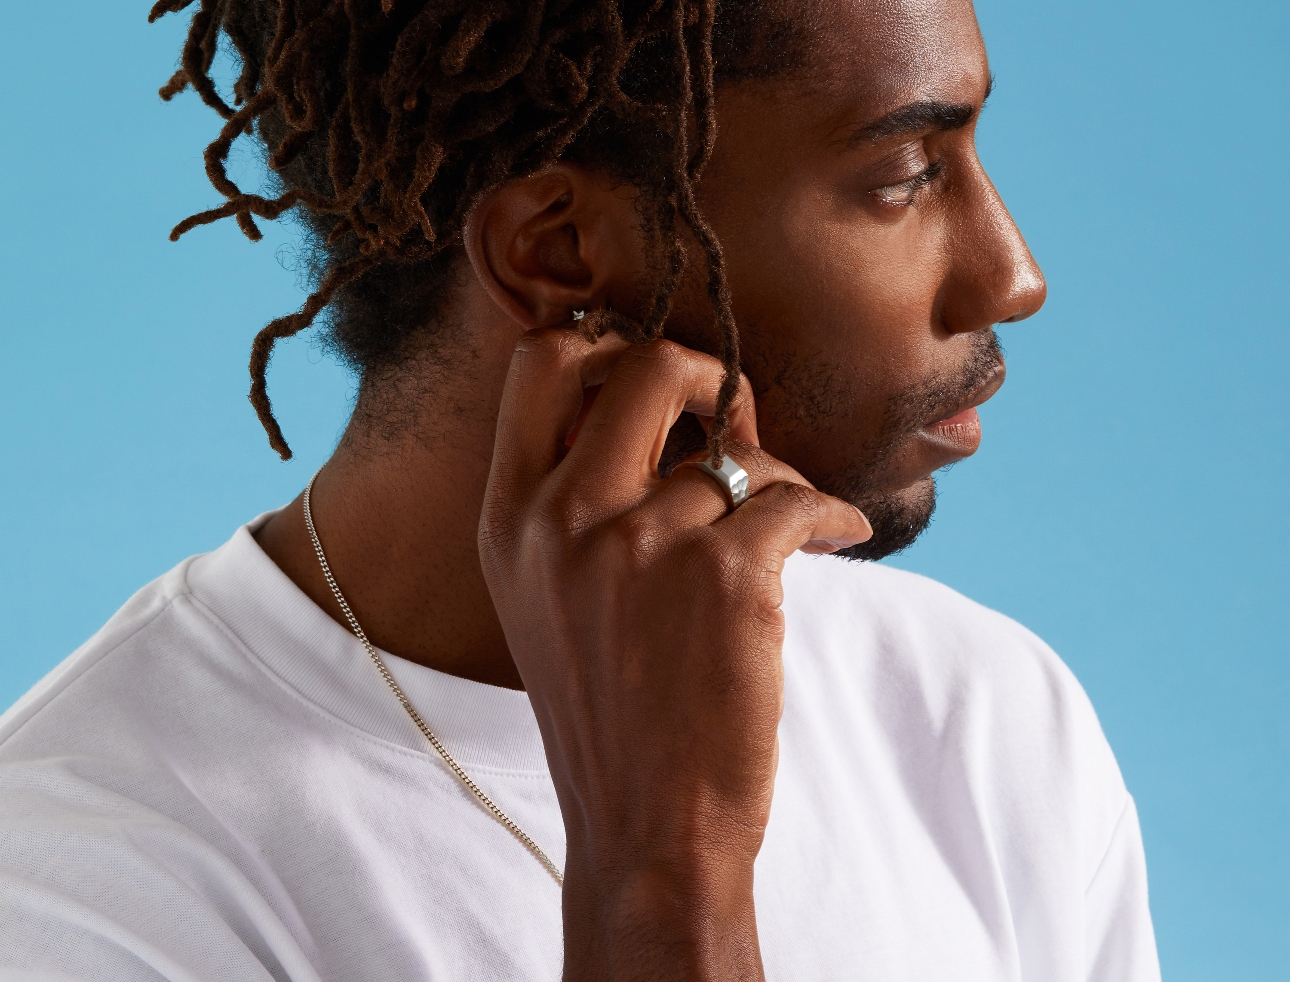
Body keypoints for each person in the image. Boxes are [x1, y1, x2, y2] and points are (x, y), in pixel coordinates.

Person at [0, 0, 1160, 979]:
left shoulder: (980, 715)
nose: (1014, 275)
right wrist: (666, 877)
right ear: (556, 252)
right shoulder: (79, 884)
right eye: (906, 176)